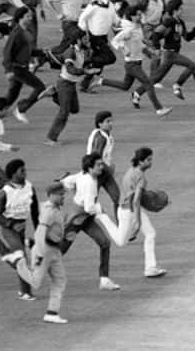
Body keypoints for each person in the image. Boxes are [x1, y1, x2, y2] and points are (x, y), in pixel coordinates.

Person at [95, 147, 167, 277]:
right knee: (121, 242)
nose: (151, 162)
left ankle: (150, 268)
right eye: (148, 160)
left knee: (150, 233)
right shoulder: (140, 178)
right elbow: (136, 201)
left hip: (126, 209)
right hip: (128, 211)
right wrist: (138, 221)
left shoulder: (130, 171)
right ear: (140, 161)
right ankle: (101, 215)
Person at [91, 4, 172, 116]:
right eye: (138, 15)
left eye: (140, 14)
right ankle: (159, 109)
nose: (140, 16)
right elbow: (114, 41)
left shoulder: (137, 27)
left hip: (137, 62)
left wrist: (151, 52)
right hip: (132, 65)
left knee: (125, 86)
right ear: (132, 17)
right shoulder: (129, 30)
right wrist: (124, 49)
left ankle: (101, 81)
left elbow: (139, 43)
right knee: (148, 83)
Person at [10, 181, 69, 323]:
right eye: (60, 195)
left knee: (60, 280)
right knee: (36, 283)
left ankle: (52, 313)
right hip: (44, 251)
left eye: (63, 194)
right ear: (51, 195)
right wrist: (40, 253)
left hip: (54, 251)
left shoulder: (55, 208)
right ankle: (18, 261)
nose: (63, 197)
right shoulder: (49, 212)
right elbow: (40, 233)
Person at [59, 153, 120, 291]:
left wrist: (71, 189)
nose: (101, 167)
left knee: (105, 243)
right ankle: (35, 269)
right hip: (77, 220)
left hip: (85, 219)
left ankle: (104, 280)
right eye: (98, 165)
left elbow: (68, 181)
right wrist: (100, 209)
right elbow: (89, 207)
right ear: (90, 168)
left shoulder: (82, 174)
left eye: (101, 163)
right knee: (60, 250)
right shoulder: (91, 183)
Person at [0, 158, 39, 300]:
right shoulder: (5, 192)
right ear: (13, 174)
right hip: (8, 228)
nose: (25, 173)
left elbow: (35, 210)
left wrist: (39, 230)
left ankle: (24, 291)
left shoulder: (30, 187)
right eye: (22, 171)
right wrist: (11, 224)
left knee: (22, 259)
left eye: (24, 170)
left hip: (21, 228)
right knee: (21, 260)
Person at [45, 31, 100, 145]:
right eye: (85, 39)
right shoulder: (70, 52)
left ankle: (55, 94)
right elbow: (70, 69)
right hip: (64, 83)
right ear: (78, 40)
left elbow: (82, 64)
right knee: (64, 112)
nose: (87, 41)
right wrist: (85, 71)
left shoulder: (82, 51)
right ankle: (51, 138)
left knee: (75, 109)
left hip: (71, 84)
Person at [2, 7, 49, 124]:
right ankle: (21, 109)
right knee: (40, 87)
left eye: (31, 16)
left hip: (23, 67)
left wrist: (42, 52)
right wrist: (8, 70)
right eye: (28, 16)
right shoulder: (16, 33)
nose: (31, 18)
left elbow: (29, 51)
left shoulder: (27, 32)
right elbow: (7, 52)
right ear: (20, 18)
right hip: (17, 68)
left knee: (13, 93)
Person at [150, 0, 195, 100]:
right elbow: (156, 34)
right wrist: (156, 47)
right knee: (192, 66)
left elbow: (186, 37)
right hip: (169, 54)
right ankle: (177, 86)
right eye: (180, 9)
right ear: (174, 10)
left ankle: (137, 93)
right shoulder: (168, 22)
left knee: (156, 78)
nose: (182, 11)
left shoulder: (180, 22)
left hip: (173, 54)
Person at [85, 111, 121, 213]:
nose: (111, 123)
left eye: (111, 120)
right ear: (99, 124)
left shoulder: (106, 135)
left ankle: (121, 225)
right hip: (95, 173)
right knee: (90, 203)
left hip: (103, 171)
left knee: (118, 197)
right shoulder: (100, 138)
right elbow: (96, 158)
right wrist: (109, 168)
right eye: (107, 121)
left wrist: (109, 165)